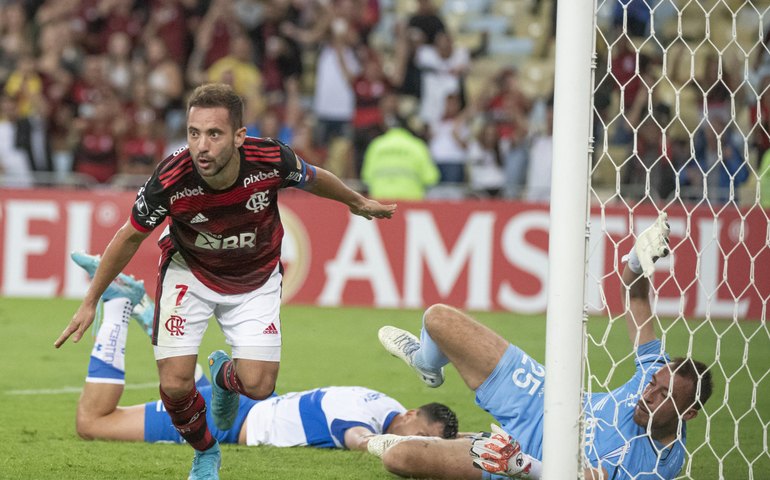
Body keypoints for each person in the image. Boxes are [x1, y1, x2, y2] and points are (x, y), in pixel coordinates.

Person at [54, 83, 396, 480]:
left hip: (256, 278)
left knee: (259, 385)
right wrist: (90, 300)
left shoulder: (269, 158)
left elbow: (313, 177)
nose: (202, 145)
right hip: (190, 273)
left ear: (238, 136)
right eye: (193, 133)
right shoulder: (170, 179)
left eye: (214, 134)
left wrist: (355, 201)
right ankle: (205, 452)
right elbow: (129, 236)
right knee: (176, 384)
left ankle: (222, 377)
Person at [369, 213, 713, 479]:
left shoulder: (656, 464)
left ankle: (466, 444)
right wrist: (637, 262)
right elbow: (636, 297)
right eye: (653, 385)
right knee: (438, 319)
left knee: (399, 457)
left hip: (533, 458)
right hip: (543, 396)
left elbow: (583, 477)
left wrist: (522, 465)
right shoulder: (654, 371)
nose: (649, 395)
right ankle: (427, 365)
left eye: (664, 395)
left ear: (688, 413)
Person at [71, 253, 458, 452]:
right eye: (421, 436)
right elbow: (359, 440)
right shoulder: (361, 420)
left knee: (186, 382)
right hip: (234, 421)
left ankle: (142, 310)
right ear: (410, 415)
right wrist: (400, 449)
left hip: (253, 407)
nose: (418, 444)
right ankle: (121, 308)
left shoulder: (384, 405)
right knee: (93, 422)